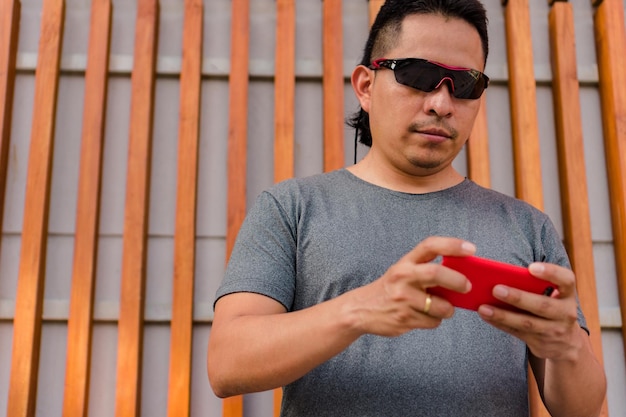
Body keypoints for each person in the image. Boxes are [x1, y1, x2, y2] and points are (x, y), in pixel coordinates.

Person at [207, 0, 607, 415]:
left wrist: (566, 348)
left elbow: (582, 409)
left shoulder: (527, 227)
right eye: (419, 75)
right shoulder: (291, 208)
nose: (441, 104)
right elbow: (226, 364)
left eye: (465, 84)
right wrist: (359, 308)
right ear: (365, 86)